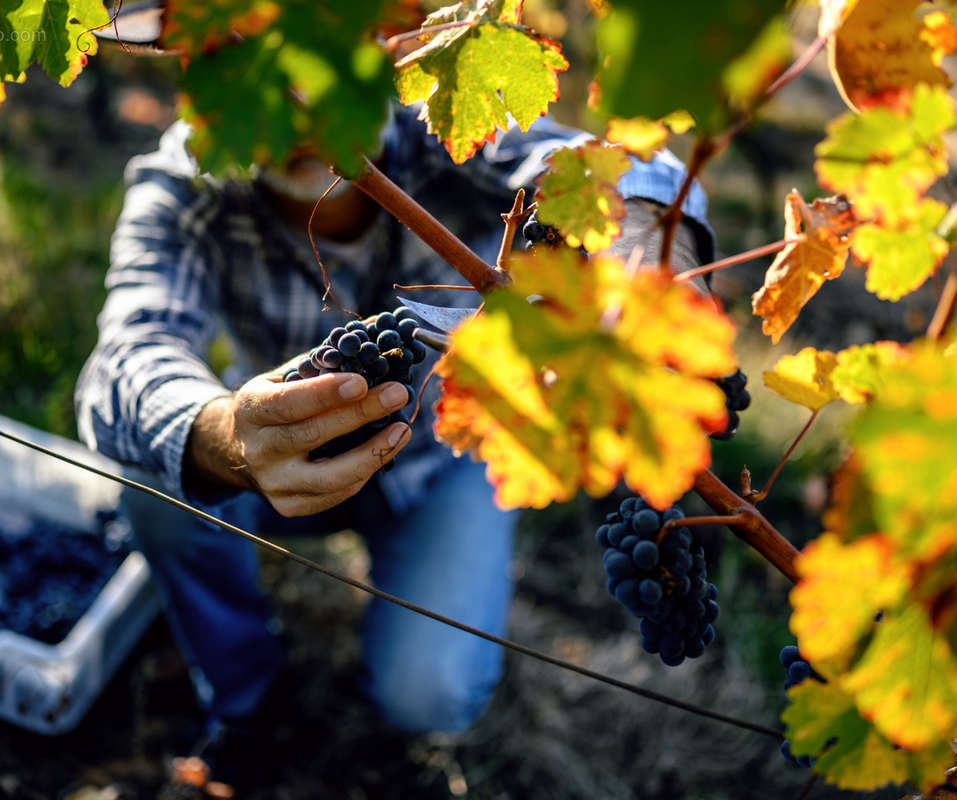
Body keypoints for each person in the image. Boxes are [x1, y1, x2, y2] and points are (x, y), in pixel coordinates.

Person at [74, 102, 714, 785]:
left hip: (444, 462)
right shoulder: (191, 175)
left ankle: (396, 724)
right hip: (275, 457)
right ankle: (244, 699)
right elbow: (126, 357)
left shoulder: (452, 119)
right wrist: (220, 434)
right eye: (264, 75)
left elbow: (634, 167)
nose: (297, 113)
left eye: (324, 69)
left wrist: (648, 236)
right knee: (156, 476)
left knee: (431, 694)